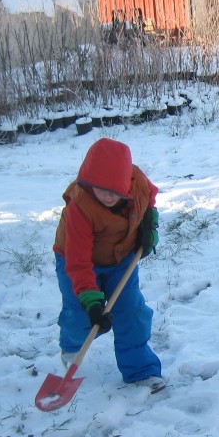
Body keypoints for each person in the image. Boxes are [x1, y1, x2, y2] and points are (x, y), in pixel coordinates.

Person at [53, 137, 165, 391]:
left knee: (132, 312)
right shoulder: (80, 207)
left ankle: (140, 371)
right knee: (81, 316)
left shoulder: (139, 184)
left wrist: (150, 226)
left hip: (121, 258)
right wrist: (92, 303)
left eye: (114, 192)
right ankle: (72, 346)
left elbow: (150, 201)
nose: (106, 196)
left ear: (126, 185)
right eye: (99, 189)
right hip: (76, 260)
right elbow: (78, 262)